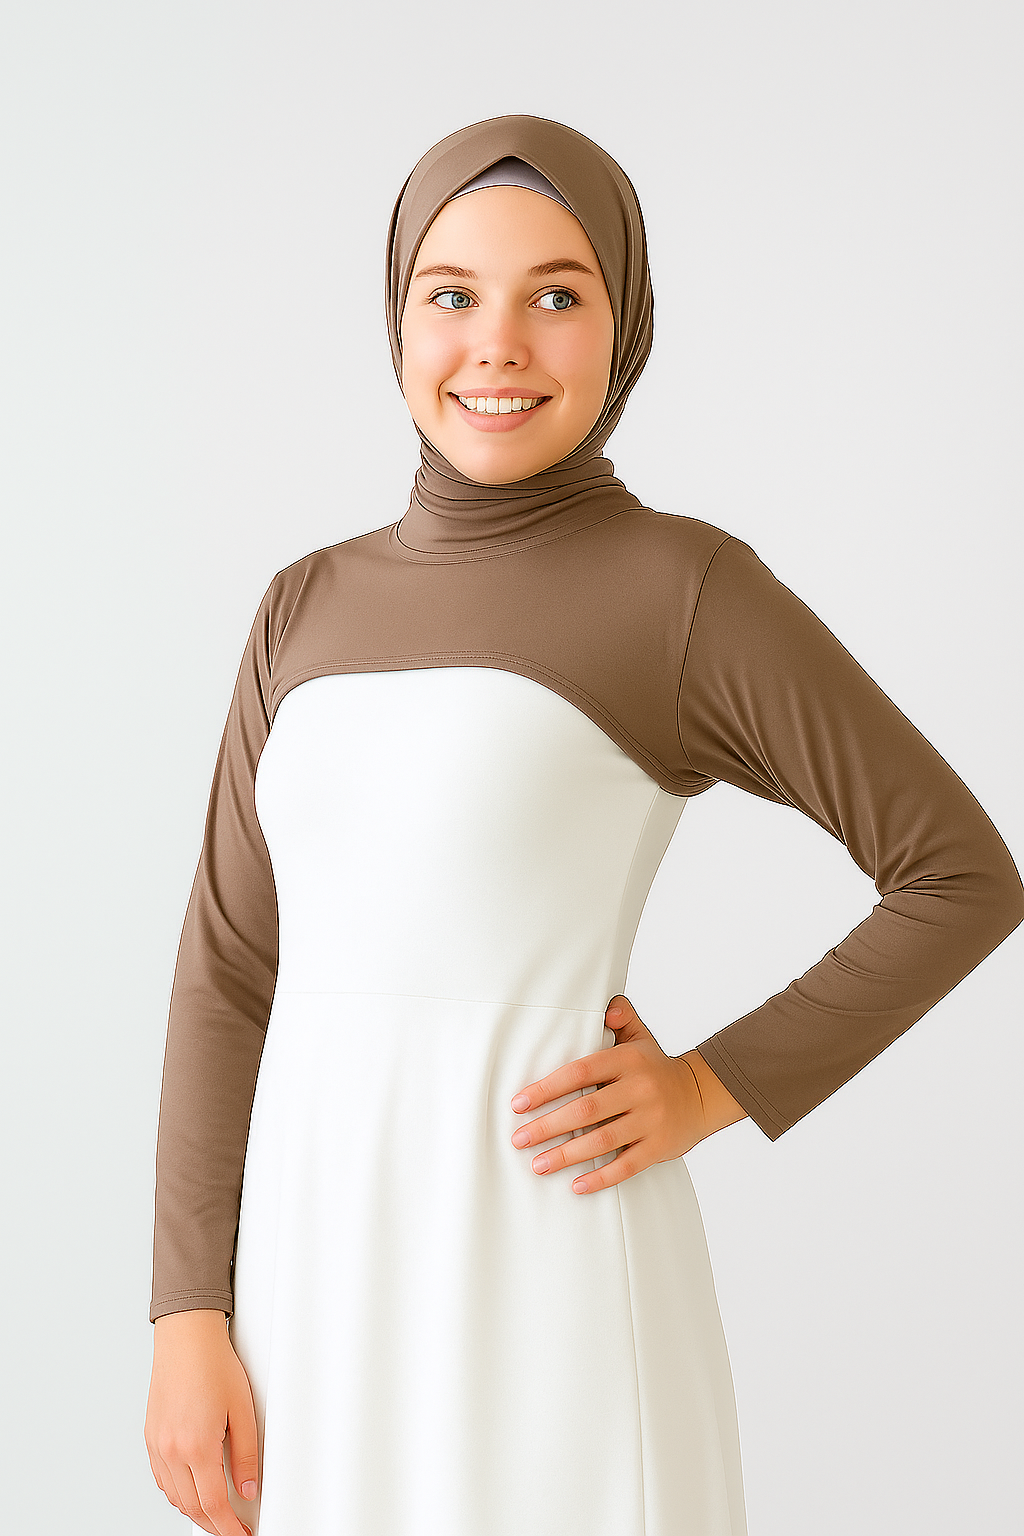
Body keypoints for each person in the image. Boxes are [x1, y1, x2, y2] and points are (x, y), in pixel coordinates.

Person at [144, 114, 1024, 1536]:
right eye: (452, 294)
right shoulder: (303, 605)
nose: (496, 345)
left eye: (556, 294)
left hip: (544, 1255)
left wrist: (711, 1086)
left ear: (627, 326)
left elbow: (960, 875)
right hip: (311, 1274)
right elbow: (230, 970)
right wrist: (189, 1308)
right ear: (396, 317)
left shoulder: (680, 590)